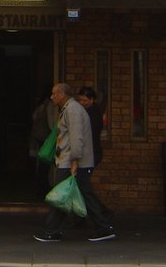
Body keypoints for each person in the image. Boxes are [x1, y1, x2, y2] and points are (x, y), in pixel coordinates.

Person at [33, 82, 116, 243]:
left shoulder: (72, 110)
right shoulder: (71, 109)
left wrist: (75, 161)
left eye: (54, 94)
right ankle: (103, 227)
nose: (51, 97)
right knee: (84, 194)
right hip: (73, 161)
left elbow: (76, 137)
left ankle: (53, 230)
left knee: (60, 195)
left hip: (71, 161)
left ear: (62, 95)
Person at [76, 86, 104, 168]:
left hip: (90, 152)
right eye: (80, 100)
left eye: (84, 100)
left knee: (83, 178)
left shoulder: (92, 114)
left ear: (91, 100)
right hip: (91, 152)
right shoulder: (89, 111)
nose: (81, 103)